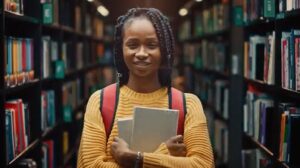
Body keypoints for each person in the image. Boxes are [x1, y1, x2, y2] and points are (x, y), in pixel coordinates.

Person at [77, 8, 214, 168]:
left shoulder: (188, 105)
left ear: (164, 50)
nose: (141, 53)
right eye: (132, 45)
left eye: (151, 45)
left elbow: (203, 165)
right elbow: (89, 165)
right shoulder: (100, 102)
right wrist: (164, 154)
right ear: (121, 49)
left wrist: (132, 158)